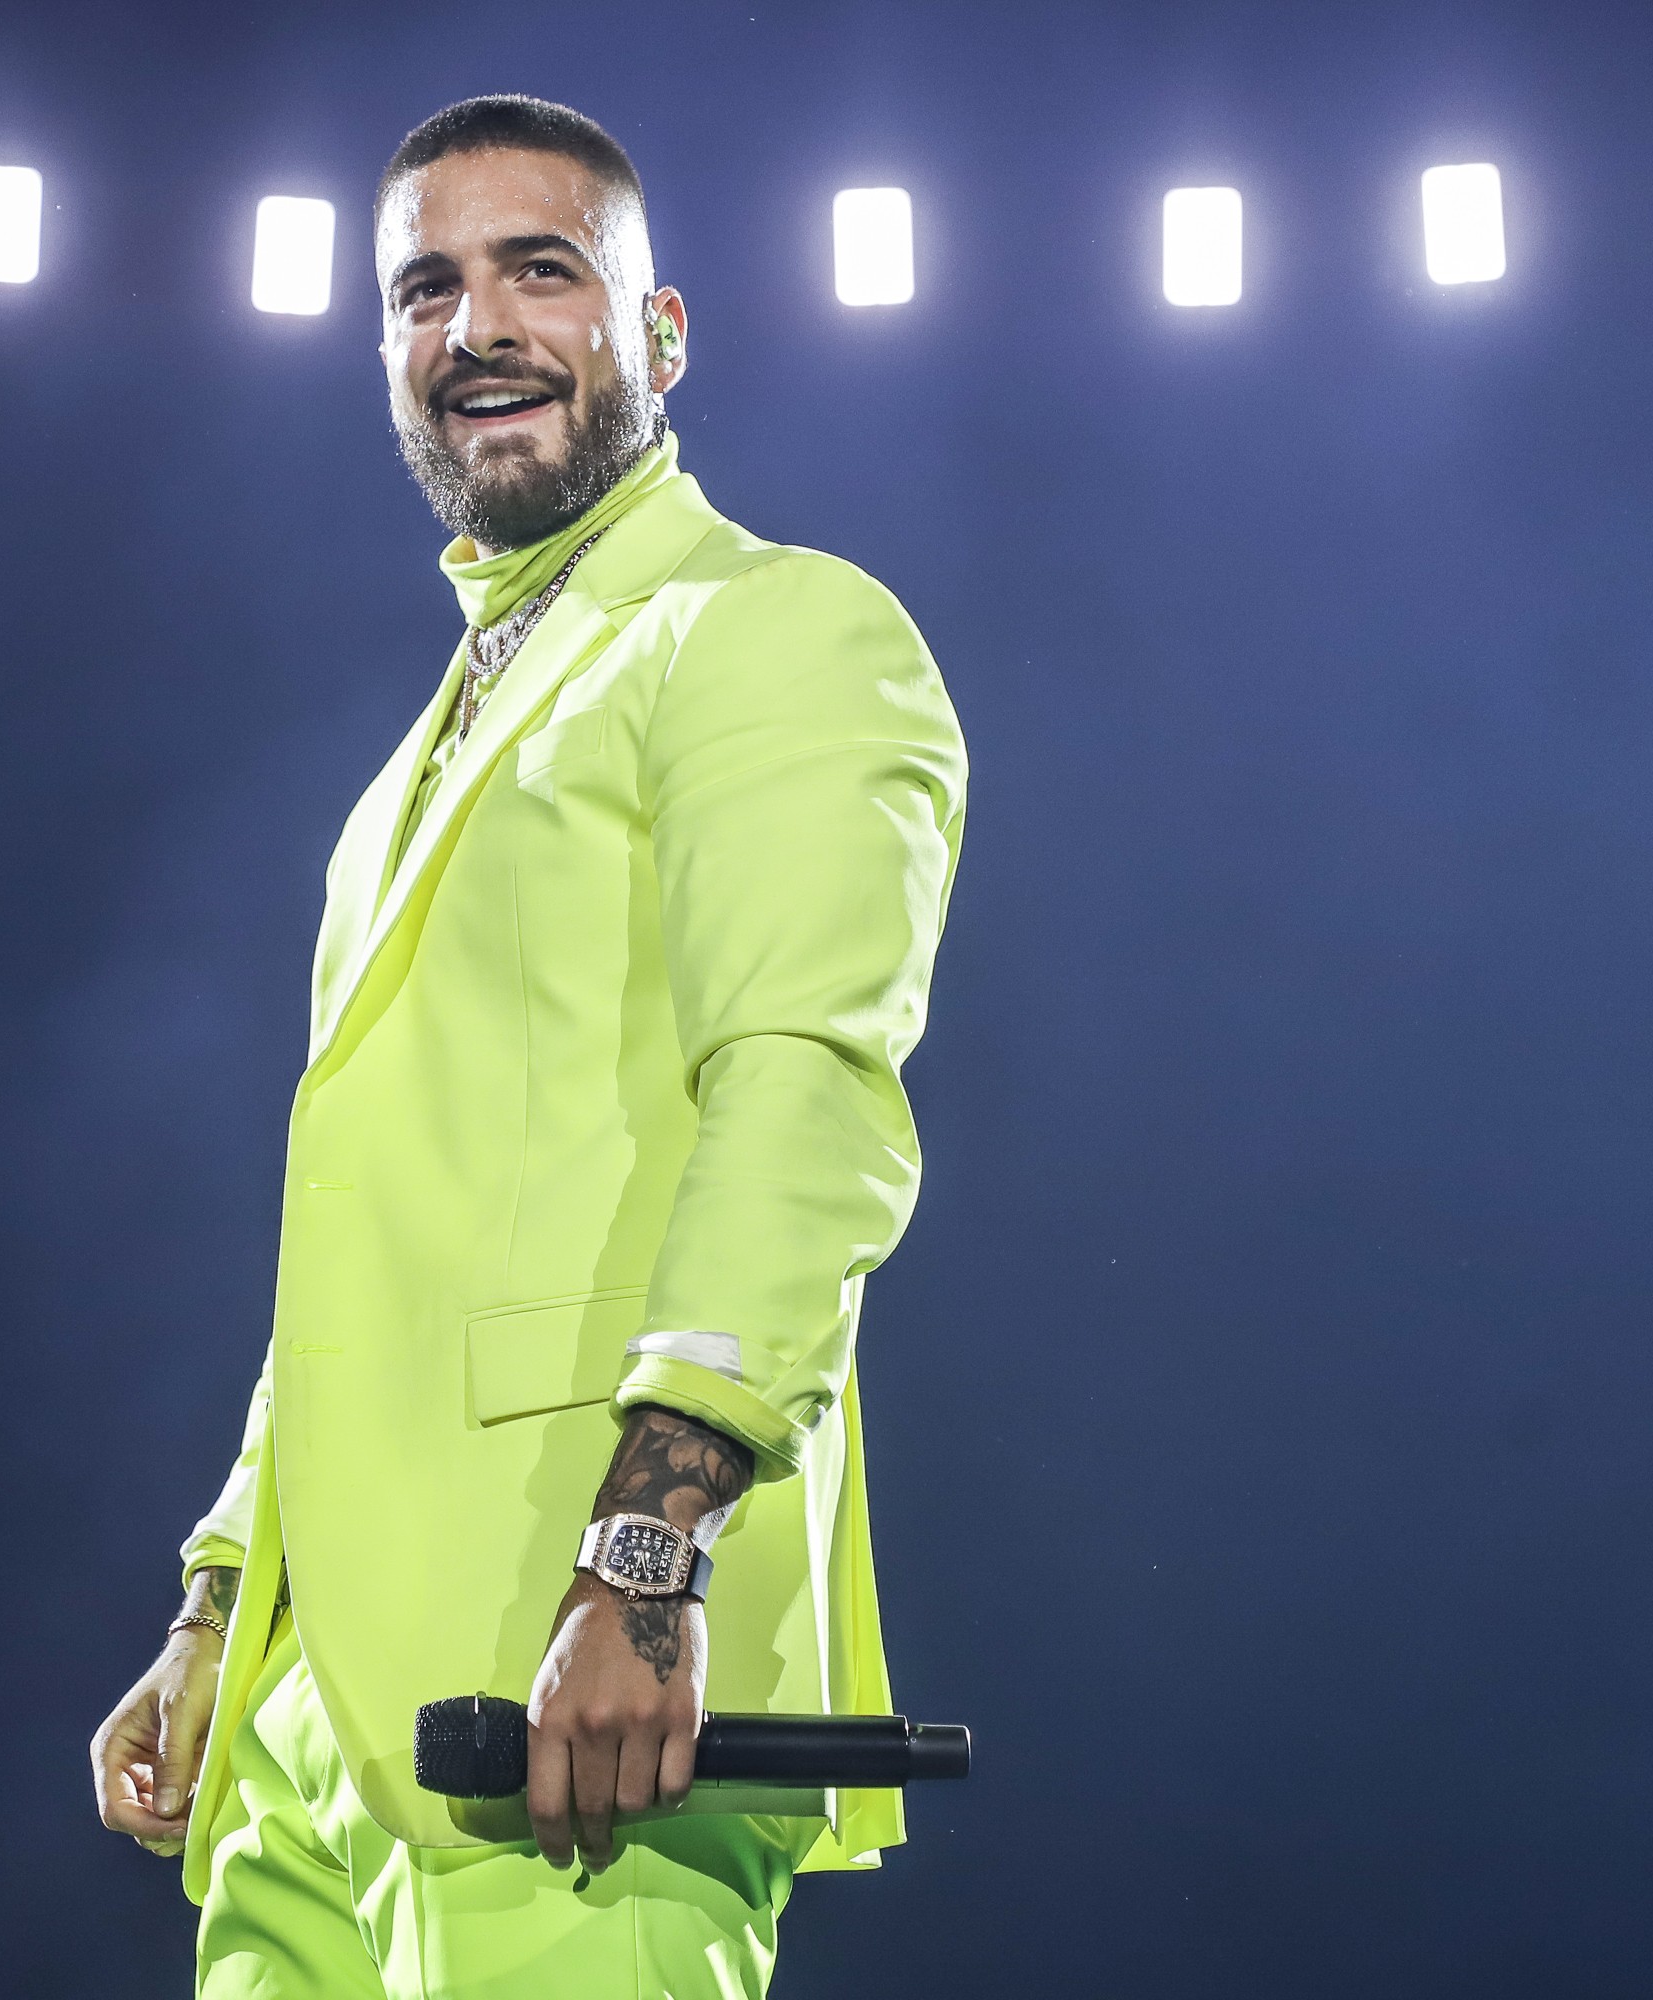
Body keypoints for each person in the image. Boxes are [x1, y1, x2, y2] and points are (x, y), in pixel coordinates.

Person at [88, 94, 966, 1998]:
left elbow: (806, 1099)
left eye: (538, 270)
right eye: (427, 288)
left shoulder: (774, 629)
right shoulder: (410, 768)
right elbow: (360, 1235)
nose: (475, 324)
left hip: (577, 1696)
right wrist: (220, 1602)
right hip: (312, 1729)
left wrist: (652, 1564)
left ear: (656, 337)